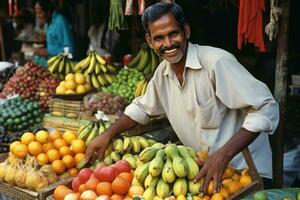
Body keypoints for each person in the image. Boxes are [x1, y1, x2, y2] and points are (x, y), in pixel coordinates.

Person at [85, 2, 279, 193]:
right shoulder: (163, 74)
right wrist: (107, 134)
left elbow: (266, 107)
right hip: (206, 176)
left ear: (186, 31)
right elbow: (142, 108)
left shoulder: (216, 63)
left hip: (246, 174)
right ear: (150, 41)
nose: (168, 44)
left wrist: (223, 155)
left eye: (173, 34)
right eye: (159, 38)